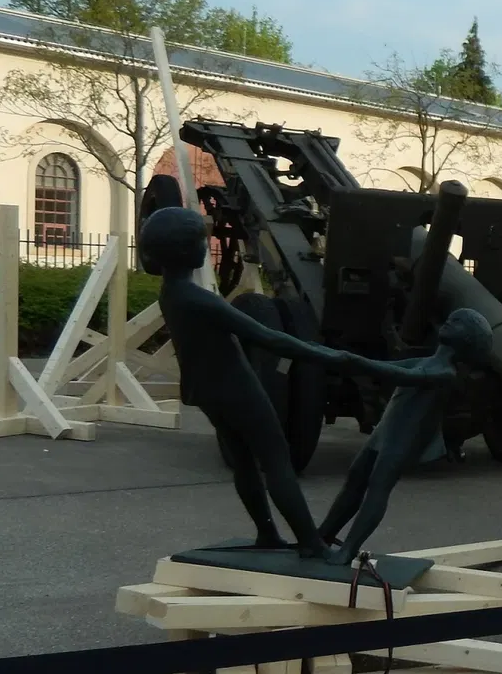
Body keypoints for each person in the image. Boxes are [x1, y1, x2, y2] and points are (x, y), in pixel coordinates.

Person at [140, 207, 447, 558]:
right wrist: (326, 355)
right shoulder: (198, 298)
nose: (205, 243)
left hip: (209, 390)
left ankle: (267, 534)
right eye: (199, 239)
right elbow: (267, 337)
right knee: (276, 460)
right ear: (184, 251)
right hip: (235, 386)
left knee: (244, 462)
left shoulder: (172, 292)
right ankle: (311, 543)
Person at [318, 308, 495, 564]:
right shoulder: (425, 361)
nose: (449, 320)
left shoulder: (444, 373)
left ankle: (347, 550)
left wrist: (348, 360)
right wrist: (334, 357)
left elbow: (398, 374)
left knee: (378, 488)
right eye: (452, 317)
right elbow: (386, 367)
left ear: (467, 342)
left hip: (403, 439)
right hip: (385, 431)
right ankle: (323, 536)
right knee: (355, 480)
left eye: (458, 323)